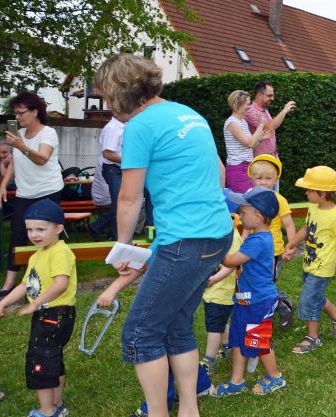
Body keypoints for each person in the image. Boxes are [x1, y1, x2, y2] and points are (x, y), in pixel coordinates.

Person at [93, 54, 233, 417]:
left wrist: (123, 248)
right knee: (176, 324)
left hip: (187, 241)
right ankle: (189, 410)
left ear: (122, 92)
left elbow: (129, 195)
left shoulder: (140, 126)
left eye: (108, 98)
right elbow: (219, 174)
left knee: (140, 333)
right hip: (216, 234)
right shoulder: (189, 114)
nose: (109, 107)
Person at [0, 200, 76, 417]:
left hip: (55, 314)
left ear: (58, 228)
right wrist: (3, 303)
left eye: (41, 229)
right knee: (52, 357)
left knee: (40, 360)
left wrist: (34, 304)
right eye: (30, 229)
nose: (34, 234)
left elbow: (61, 284)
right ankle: (58, 405)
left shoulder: (60, 252)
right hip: (47, 314)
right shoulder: (37, 255)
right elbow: (25, 285)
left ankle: (47, 410)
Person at [212, 187, 286, 396]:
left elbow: (230, 260)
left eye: (243, 212)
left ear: (259, 216)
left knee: (259, 342)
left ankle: (275, 377)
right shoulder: (256, 237)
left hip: (259, 302)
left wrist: (218, 243)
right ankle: (237, 381)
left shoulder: (258, 240)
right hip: (245, 301)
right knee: (236, 339)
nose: (239, 215)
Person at [283, 166, 336, 354]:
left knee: (309, 300)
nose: (306, 192)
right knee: (316, 295)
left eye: (309, 189)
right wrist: (291, 244)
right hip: (309, 263)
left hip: (322, 268)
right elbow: (307, 229)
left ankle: (313, 338)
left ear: (322, 193)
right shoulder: (313, 208)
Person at [0, 92, 64, 296]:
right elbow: (15, 164)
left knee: (45, 236)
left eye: (21, 113)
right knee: (18, 235)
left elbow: (42, 158)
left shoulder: (48, 133)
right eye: (15, 113)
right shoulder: (19, 134)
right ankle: (9, 285)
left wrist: (21, 146)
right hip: (24, 193)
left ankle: (52, 278)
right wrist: (2, 186)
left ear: (35, 111)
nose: (17, 117)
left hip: (48, 191)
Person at [199, 226, 243, 375]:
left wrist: (214, 279)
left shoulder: (232, 236)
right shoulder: (213, 230)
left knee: (213, 327)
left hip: (221, 291)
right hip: (213, 290)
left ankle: (208, 360)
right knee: (220, 322)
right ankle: (228, 346)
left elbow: (232, 264)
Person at [248, 154, 295, 281]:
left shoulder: (279, 200)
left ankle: (272, 300)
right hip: (253, 247)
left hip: (272, 250)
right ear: (252, 178)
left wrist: (291, 246)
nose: (263, 182)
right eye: (259, 178)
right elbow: (247, 226)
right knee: (254, 278)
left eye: (268, 178)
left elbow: (289, 224)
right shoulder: (249, 199)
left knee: (269, 280)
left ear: (276, 179)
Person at [224, 90, 271, 193]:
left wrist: (260, 139)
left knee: (249, 202)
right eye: (247, 104)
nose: (250, 107)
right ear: (237, 104)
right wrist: (260, 126)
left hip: (248, 167)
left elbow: (252, 145)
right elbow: (249, 143)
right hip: (237, 170)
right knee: (245, 203)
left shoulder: (242, 122)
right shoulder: (232, 123)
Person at [244, 80, 296, 158]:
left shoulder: (265, 109)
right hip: (261, 159)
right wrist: (284, 110)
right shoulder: (251, 111)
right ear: (260, 95)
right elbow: (268, 127)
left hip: (272, 156)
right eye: (269, 95)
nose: (272, 98)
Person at [87, 128, 112, 241]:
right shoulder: (106, 165)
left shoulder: (101, 162)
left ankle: (102, 228)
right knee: (122, 206)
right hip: (104, 198)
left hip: (104, 196)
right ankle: (97, 226)